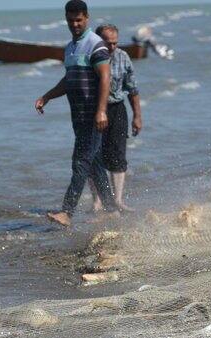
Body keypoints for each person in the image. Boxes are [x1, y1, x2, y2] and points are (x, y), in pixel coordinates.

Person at [36, 0, 118, 226]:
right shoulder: (70, 47)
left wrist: (101, 111)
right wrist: (48, 96)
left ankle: (67, 212)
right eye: (70, 20)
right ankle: (112, 210)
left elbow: (104, 78)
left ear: (87, 18)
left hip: (94, 116)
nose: (74, 24)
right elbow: (68, 79)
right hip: (78, 116)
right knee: (94, 164)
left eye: (78, 20)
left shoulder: (95, 44)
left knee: (80, 162)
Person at [89, 23, 141, 212]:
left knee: (118, 155)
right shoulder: (89, 57)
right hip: (94, 110)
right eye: (107, 43)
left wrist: (137, 116)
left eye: (115, 43)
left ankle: (118, 200)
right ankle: (97, 201)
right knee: (93, 155)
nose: (111, 47)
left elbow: (133, 89)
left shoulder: (123, 56)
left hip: (117, 109)